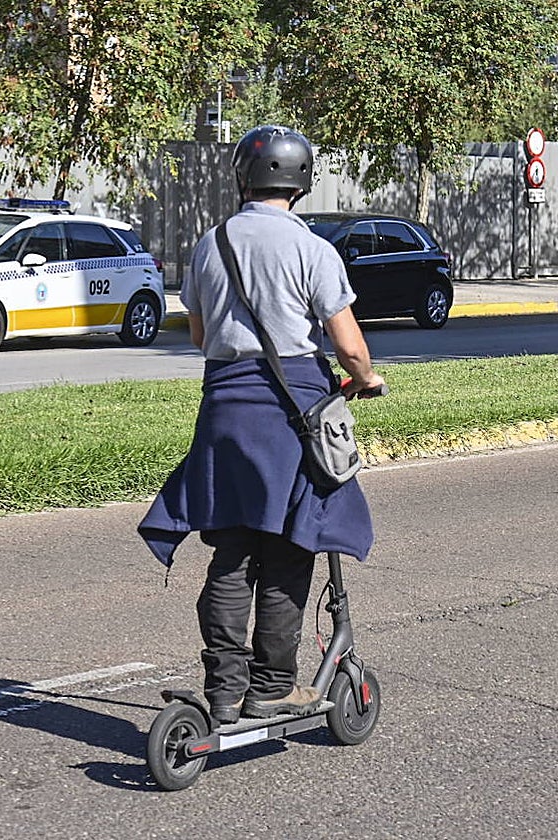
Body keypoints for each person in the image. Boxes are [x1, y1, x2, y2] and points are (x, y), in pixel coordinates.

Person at [138, 125, 386, 725]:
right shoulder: (312, 249)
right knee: (288, 545)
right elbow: (348, 347)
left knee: (230, 549)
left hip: (224, 407)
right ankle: (272, 686)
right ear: (301, 181)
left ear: (243, 178)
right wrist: (368, 378)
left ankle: (224, 689)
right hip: (290, 411)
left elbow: (199, 336)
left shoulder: (210, 243)